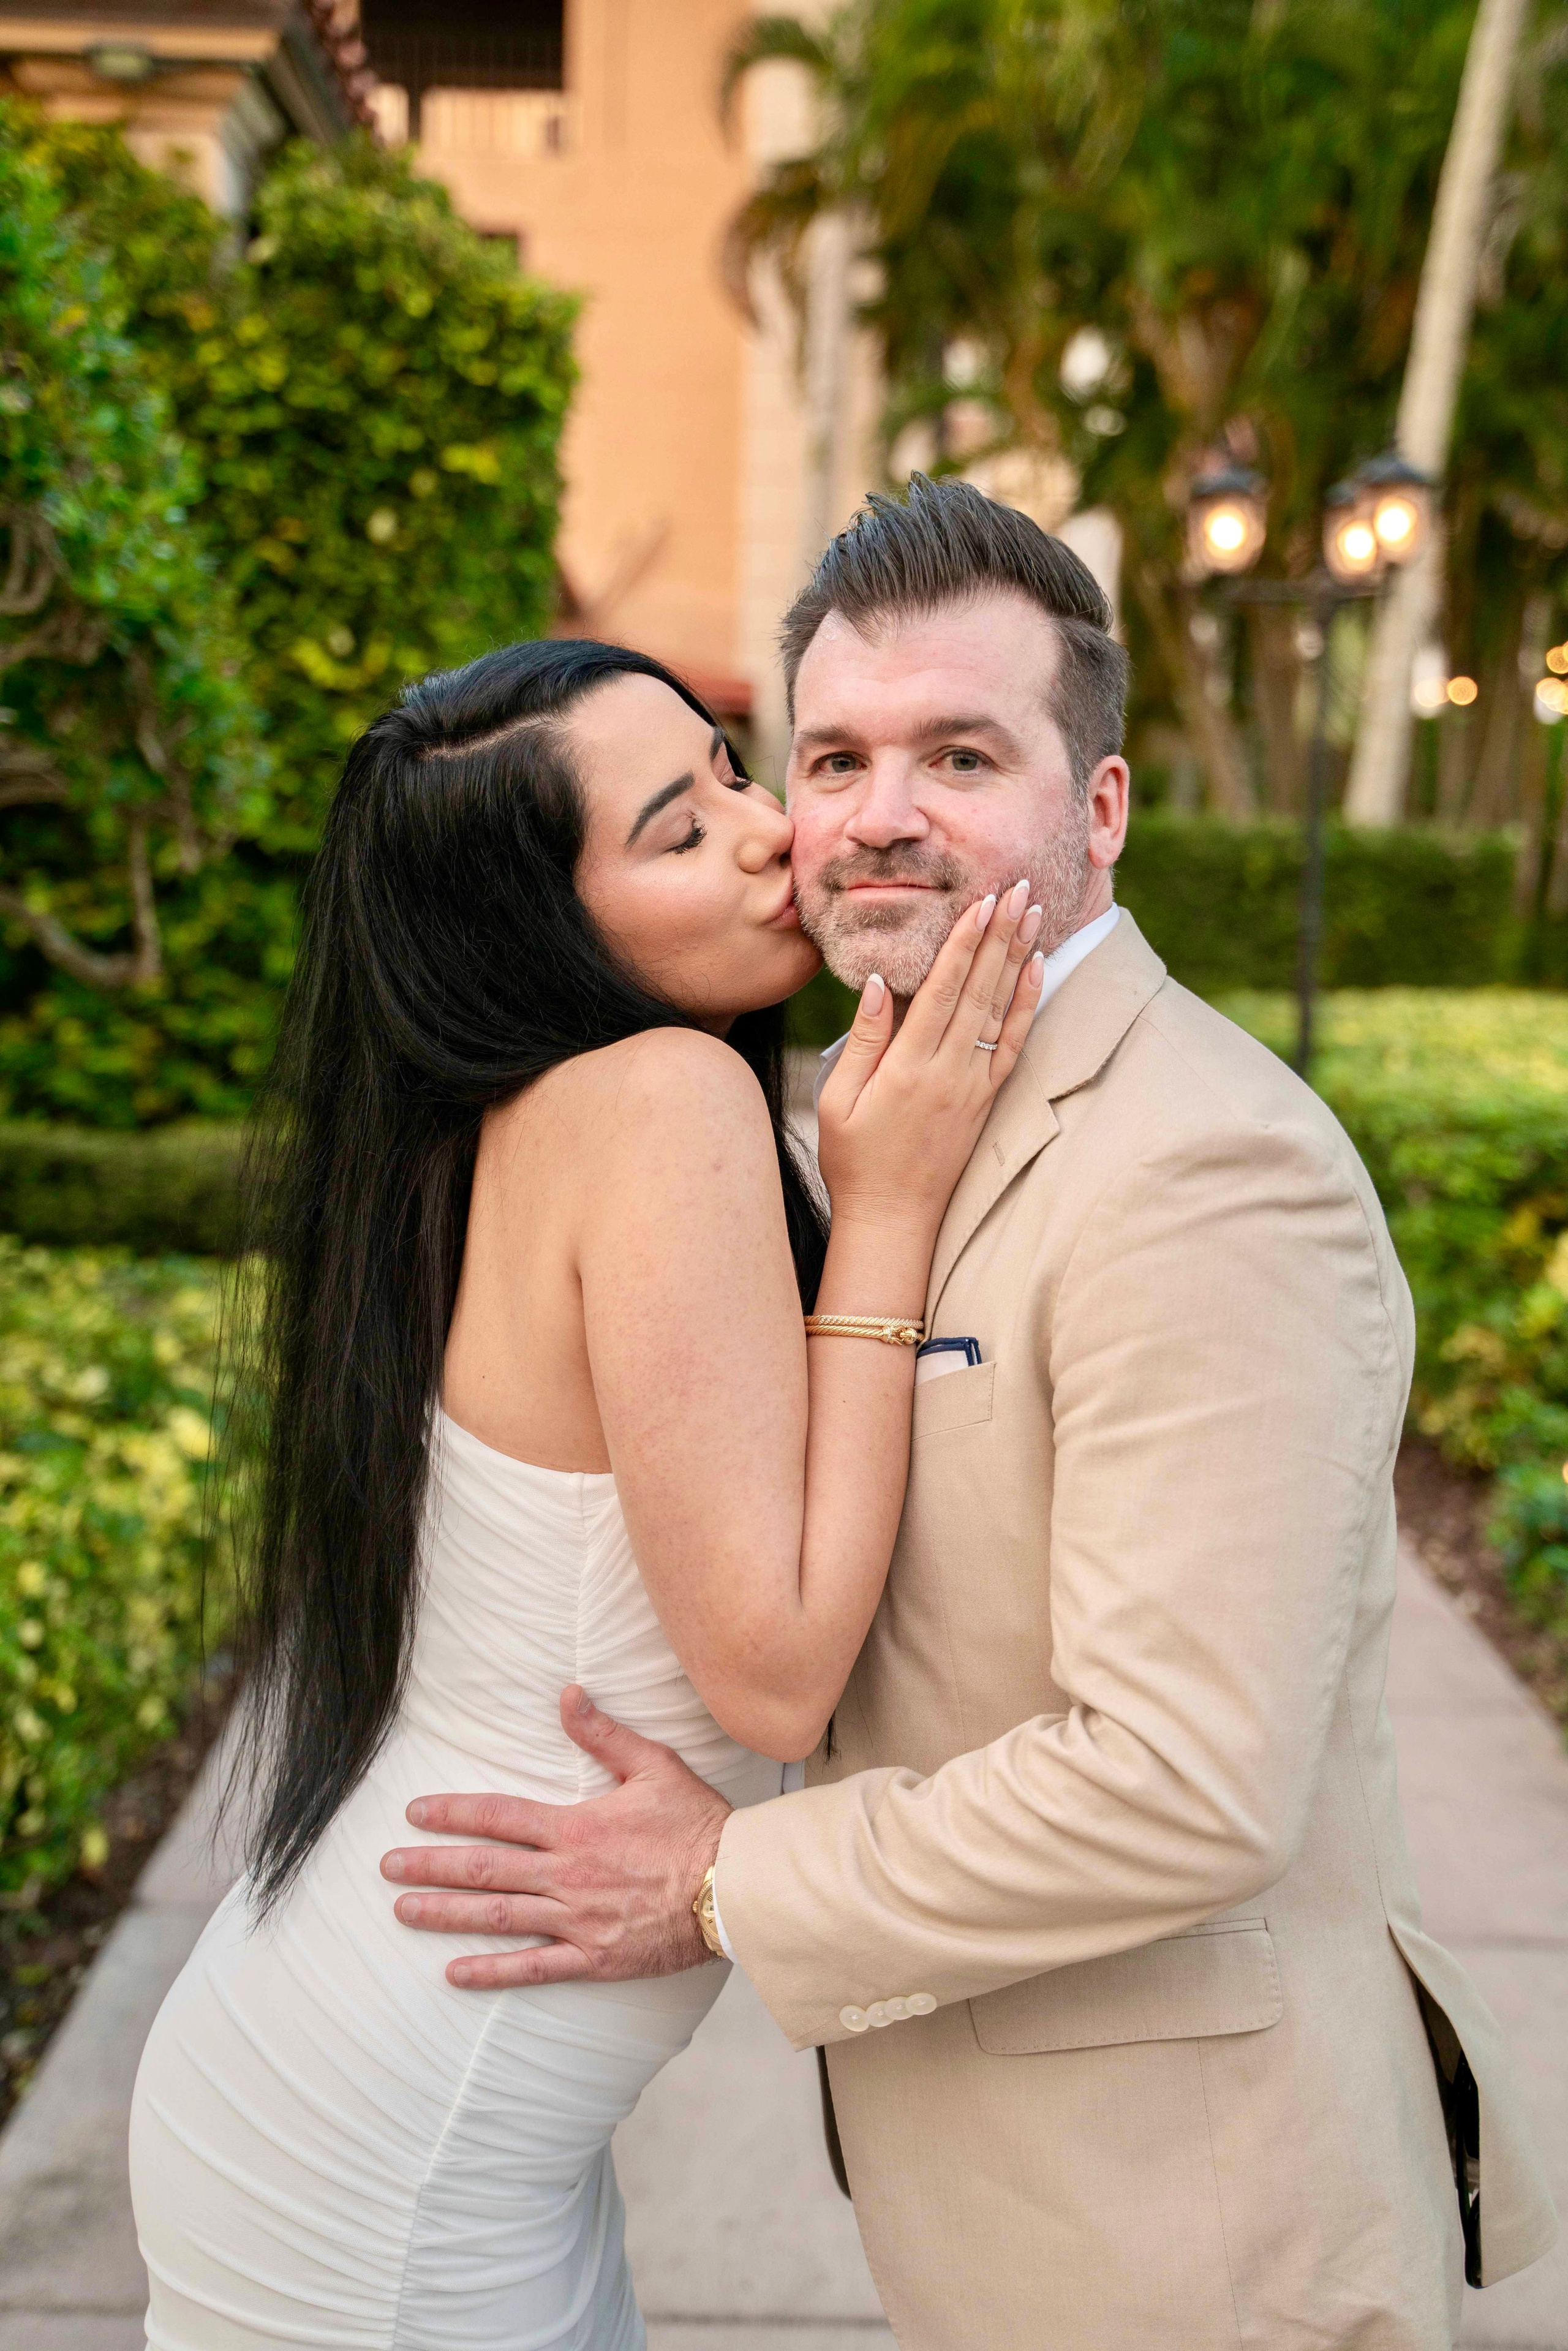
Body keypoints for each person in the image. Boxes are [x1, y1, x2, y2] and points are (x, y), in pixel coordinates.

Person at [383, 478, 1558, 2350]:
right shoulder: (857, 1113)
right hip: (995, 2190)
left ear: (1098, 810)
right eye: (833, 757)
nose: (879, 817)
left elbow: (1183, 1782)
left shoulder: (1211, 1172)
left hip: (1195, 2231)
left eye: (960, 754)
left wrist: (717, 1882)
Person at [126, 632, 1047, 2346]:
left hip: (373, 2089)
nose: (773, 828)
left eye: (726, 768)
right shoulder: (663, 1102)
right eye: (680, 834)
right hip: (396, 2154)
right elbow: (772, 1669)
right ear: (547, 932)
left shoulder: (501, 1126)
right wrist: (894, 1200)